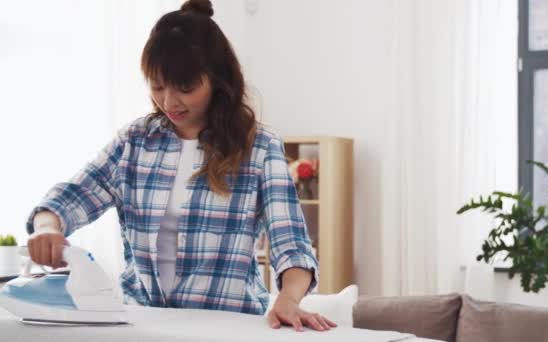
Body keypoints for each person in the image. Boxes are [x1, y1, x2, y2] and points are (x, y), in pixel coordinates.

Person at [25, 0, 335, 332]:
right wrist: (47, 229)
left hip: (228, 328)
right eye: (158, 86)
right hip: (143, 326)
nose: (170, 102)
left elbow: (292, 243)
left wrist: (287, 299)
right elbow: (69, 198)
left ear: (216, 79)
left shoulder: (258, 147)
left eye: (185, 88)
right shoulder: (134, 142)